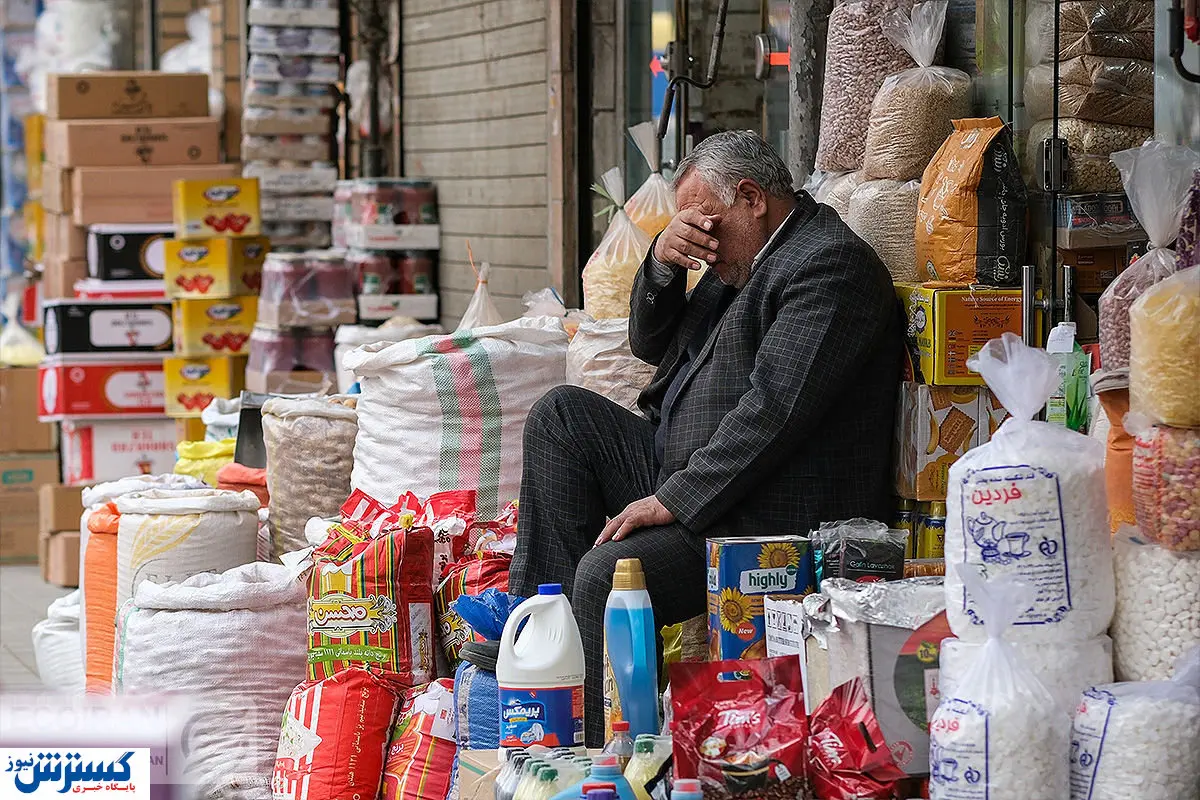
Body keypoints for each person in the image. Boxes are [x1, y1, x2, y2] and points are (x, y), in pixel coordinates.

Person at [510, 131, 902, 746]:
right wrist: (662, 263)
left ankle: (584, 748)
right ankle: (540, 645)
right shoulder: (739, 254)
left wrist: (674, 500)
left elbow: (774, 413)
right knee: (561, 419)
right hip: (688, 471)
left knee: (608, 575)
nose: (705, 242)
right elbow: (648, 342)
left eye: (708, 223)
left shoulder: (827, 265)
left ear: (751, 198)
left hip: (761, 509)